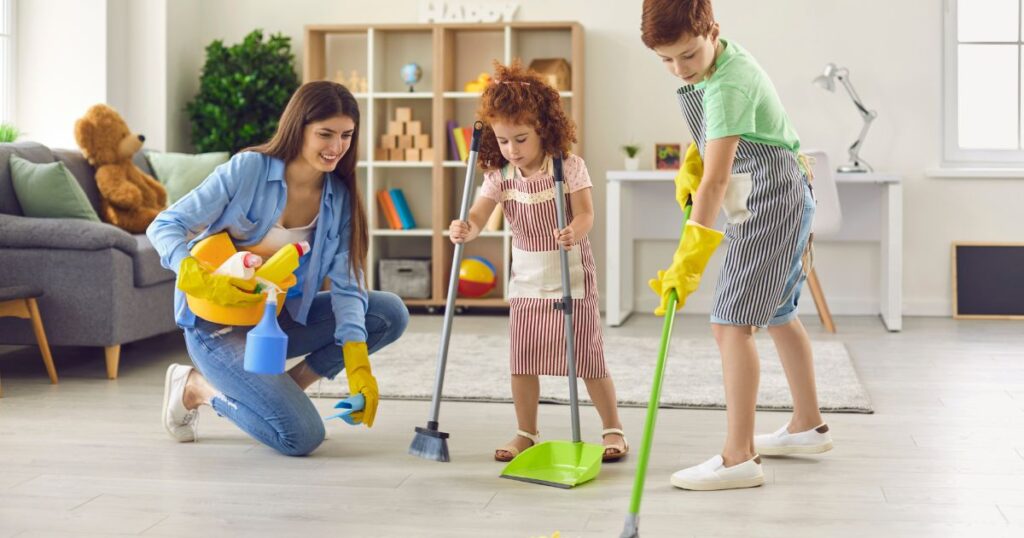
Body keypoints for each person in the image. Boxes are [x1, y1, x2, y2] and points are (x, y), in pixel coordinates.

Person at [147, 81, 409, 456]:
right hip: (217, 327)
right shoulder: (249, 170)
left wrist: (358, 366)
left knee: (388, 312)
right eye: (325, 134)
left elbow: (348, 285)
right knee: (301, 437)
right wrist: (192, 273)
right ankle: (198, 388)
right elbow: (165, 225)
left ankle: (285, 388)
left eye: (347, 135)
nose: (337, 147)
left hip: (276, 321)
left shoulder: (339, 198)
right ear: (298, 128)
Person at [641, 0, 833, 490]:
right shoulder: (720, 61)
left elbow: (717, 179)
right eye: (665, 60)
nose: (678, 70)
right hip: (780, 191)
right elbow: (717, 137)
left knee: (731, 323)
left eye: (687, 55)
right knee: (777, 313)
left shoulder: (728, 82)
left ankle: (738, 457)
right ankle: (807, 424)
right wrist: (693, 159)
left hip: (772, 199)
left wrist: (688, 262)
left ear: (712, 31)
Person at [449, 61, 628, 463]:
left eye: (521, 139)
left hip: (571, 275)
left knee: (587, 356)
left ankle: (613, 428)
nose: (513, 149)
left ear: (544, 129)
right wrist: (466, 228)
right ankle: (526, 432)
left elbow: (586, 214)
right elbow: (478, 215)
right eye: (504, 140)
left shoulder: (568, 166)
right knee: (523, 357)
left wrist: (575, 231)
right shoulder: (500, 176)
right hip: (527, 278)